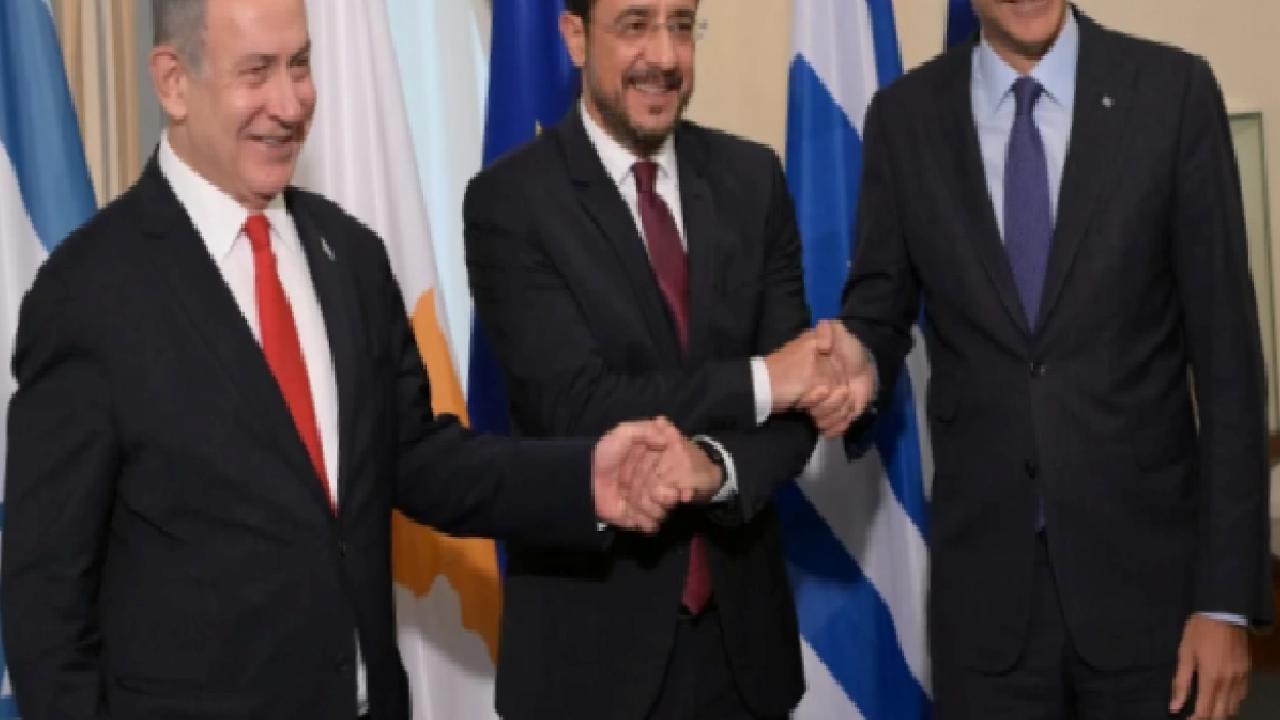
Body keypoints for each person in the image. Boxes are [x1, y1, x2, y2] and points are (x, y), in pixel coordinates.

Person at [1, 1, 707, 718]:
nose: (290, 104)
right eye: (257, 72)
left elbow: (419, 458)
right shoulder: (88, 292)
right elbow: (45, 601)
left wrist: (585, 478)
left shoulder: (350, 255)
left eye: (300, 65)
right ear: (173, 82)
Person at [815, 1, 1272, 717]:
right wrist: (857, 364)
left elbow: (1230, 369)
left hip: (1155, 604)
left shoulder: (1172, 94)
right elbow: (879, 313)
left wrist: (1226, 601)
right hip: (986, 614)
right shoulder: (905, 119)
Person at [461, 1, 854, 718]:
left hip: (743, 657)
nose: (666, 56)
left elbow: (798, 408)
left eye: (681, 23)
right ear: (575, 37)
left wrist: (718, 469)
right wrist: (763, 382)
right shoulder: (510, 203)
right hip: (590, 666)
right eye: (636, 25)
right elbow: (574, 408)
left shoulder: (753, 180)